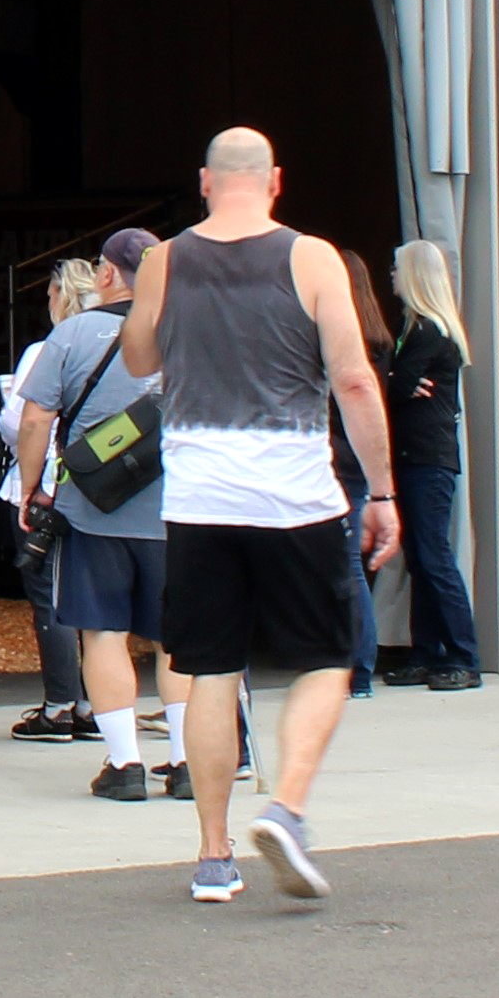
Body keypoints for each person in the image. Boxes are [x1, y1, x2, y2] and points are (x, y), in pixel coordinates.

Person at [123, 128, 399, 903]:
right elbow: (352, 379)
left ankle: (213, 857)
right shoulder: (311, 257)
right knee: (326, 658)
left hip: (197, 495)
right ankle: (285, 808)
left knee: (210, 669)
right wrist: (380, 492)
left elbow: (139, 360)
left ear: (204, 182)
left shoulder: (164, 260)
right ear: (275, 180)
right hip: (293, 491)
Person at [15, 226, 190, 801]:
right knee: (174, 640)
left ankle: (125, 763)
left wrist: (32, 487)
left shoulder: (73, 333)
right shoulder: (185, 332)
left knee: (104, 634)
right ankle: (185, 760)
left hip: (92, 509)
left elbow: (36, 417)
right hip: (175, 511)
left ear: (108, 273)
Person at [0, 258, 101, 744]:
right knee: (90, 600)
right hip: (97, 488)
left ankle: (60, 704)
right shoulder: (119, 347)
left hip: (44, 486)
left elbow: (20, 422)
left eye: (49, 294)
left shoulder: (47, 350)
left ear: (62, 296)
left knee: (48, 596)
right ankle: (93, 705)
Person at [386, 240, 480, 692]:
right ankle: (425, 654)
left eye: (397, 268)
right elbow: (400, 382)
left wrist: (395, 378)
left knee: (434, 557)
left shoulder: (429, 331)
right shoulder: (416, 329)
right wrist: (397, 379)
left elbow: (399, 384)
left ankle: (464, 657)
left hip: (428, 459)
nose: (391, 274)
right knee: (421, 559)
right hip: (417, 457)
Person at [328, 244, 396, 700]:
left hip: (329, 459)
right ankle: (360, 670)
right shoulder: (381, 343)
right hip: (358, 464)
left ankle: (348, 667)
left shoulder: (336, 344)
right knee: (350, 565)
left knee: (336, 566)